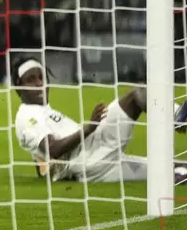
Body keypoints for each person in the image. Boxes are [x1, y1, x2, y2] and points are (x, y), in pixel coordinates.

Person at [13, 57, 187, 183]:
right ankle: (178, 118)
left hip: (96, 165)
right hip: (91, 153)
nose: (39, 83)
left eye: (41, 77)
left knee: (170, 169)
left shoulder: (40, 112)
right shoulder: (27, 116)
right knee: (136, 95)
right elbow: (53, 149)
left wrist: (44, 169)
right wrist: (90, 128)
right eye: (31, 79)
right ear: (19, 88)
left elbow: (42, 151)